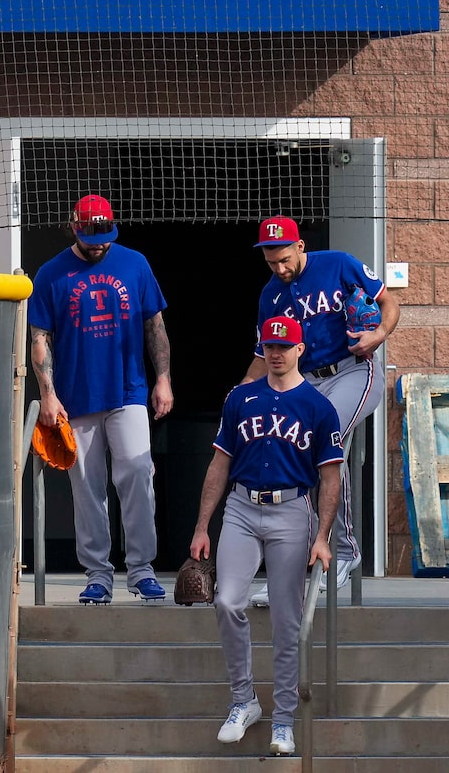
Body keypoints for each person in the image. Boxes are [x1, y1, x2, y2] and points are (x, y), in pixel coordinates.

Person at [190, 315, 342, 757]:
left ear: (300, 350)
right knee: (227, 601)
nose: (275, 353)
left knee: (286, 620)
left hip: (292, 510)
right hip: (241, 507)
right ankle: (243, 701)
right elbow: (219, 464)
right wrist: (202, 525)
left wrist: (323, 536)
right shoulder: (241, 399)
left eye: (283, 346)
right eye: (268, 347)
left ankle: (284, 720)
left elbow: (331, 478)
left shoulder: (317, 406)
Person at [241, 215, 399, 604]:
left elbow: (388, 302)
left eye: (284, 259)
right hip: (308, 379)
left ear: (299, 246)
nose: (279, 268)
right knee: (283, 448)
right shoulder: (270, 295)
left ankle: (344, 551)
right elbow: (266, 354)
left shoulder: (339, 263)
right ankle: (290, 568)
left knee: (323, 443)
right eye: (270, 262)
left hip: (353, 371)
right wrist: (242, 394)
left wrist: (377, 335)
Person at [28, 194, 174, 606]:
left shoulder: (135, 264)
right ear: (73, 226)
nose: (98, 245)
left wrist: (162, 380)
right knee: (87, 487)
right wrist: (48, 396)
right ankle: (97, 574)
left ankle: (142, 569)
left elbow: (155, 327)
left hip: (127, 390)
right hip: (76, 397)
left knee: (137, 472)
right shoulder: (52, 273)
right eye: (90, 237)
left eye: (104, 237)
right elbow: (40, 338)